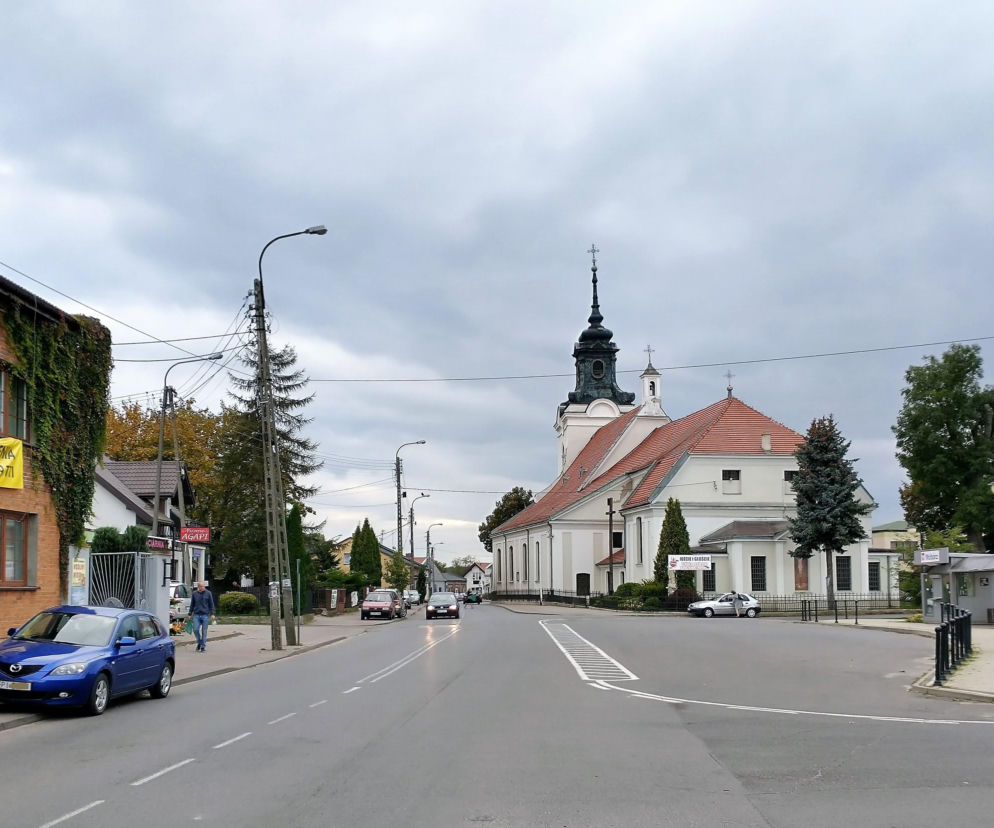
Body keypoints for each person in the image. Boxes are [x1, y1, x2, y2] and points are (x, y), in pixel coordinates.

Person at [190, 580, 216, 651]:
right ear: (198, 587)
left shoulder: (208, 593)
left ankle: (202, 646)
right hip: (196, 614)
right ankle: (200, 642)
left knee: (204, 631)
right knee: (195, 630)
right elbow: (192, 604)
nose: (202, 587)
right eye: (201, 586)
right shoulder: (194, 594)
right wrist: (190, 613)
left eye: (203, 586)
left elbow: (211, 604)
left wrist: (212, 613)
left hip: (205, 615)